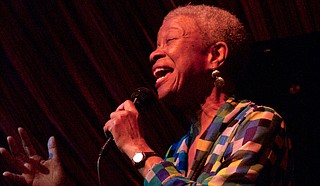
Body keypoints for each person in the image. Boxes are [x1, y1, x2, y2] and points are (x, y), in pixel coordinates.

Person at [0, 4, 293, 186]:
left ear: (215, 55)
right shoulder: (176, 153)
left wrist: (135, 146)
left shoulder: (258, 122)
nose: (154, 53)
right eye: (155, 44)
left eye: (170, 40)